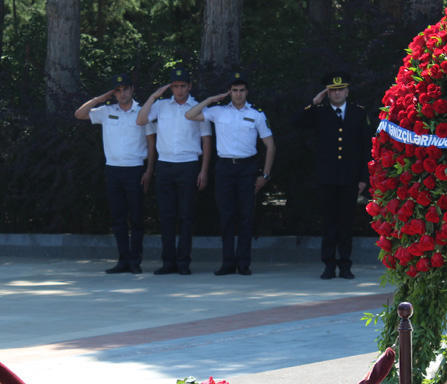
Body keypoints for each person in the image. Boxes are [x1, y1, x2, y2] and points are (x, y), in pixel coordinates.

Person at [185, 70, 274, 276]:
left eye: (242, 90)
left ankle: (243, 263)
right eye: (234, 90)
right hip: (225, 167)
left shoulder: (257, 114)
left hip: (247, 168)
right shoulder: (218, 112)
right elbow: (189, 115)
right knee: (226, 216)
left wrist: (266, 175)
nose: (238, 94)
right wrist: (209, 100)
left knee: (245, 216)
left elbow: (270, 146)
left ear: (247, 91)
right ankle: (227, 262)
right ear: (229, 92)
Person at [294, 73, 372, 279]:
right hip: (327, 177)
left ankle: (345, 265)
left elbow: (366, 147)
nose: (337, 93)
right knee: (329, 223)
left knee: (346, 223)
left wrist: (364, 178)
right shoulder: (319, 112)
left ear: (347, 91)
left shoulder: (358, 113)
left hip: (350, 177)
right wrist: (313, 103)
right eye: (333, 90)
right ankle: (328, 265)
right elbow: (298, 123)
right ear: (327, 92)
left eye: (341, 90)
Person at [75, 73, 154, 273]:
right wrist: (101, 98)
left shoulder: (143, 112)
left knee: (136, 218)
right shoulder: (106, 111)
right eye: (117, 90)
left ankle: (135, 261)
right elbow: (80, 114)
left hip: (135, 169)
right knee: (118, 218)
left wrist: (149, 170)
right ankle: (123, 260)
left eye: (125, 89)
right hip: (113, 170)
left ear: (132, 89)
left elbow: (152, 145)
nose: (122, 93)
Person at [137, 66, 212, 275]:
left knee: (186, 216)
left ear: (189, 86)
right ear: (171, 87)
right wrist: (153, 96)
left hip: (188, 164)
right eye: (176, 86)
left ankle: (183, 262)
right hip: (165, 165)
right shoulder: (161, 106)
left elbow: (207, 141)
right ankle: (168, 262)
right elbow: (141, 120)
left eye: (183, 86)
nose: (179, 90)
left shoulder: (198, 107)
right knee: (166, 215)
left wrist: (204, 170)